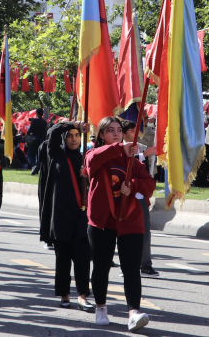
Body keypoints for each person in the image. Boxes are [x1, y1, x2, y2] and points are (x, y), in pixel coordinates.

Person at [85, 116, 156, 332]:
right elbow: (92, 161)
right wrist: (119, 148)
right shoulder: (94, 155)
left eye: (118, 130)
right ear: (101, 135)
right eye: (110, 130)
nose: (116, 133)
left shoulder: (133, 161)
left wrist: (133, 185)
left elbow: (149, 185)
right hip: (102, 221)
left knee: (131, 268)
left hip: (130, 220)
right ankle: (101, 308)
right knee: (101, 266)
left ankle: (134, 313)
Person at [44, 120, 95, 311]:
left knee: (82, 259)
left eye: (77, 135)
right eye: (70, 136)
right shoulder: (56, 154)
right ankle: (64, 296)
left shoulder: (85, 158)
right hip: (60, 217)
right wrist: (74, 124)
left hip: (81, 217)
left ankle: (82, 296)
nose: (74, 139)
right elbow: (53, 133)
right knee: (63, 259)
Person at [121, 120, 160, 278]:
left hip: (139, 197)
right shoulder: (118, 149)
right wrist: (143, 154)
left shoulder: (142, 147)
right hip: (123, 198)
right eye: (131, 131)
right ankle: (126, 265)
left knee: (145, 231)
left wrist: (145, 153)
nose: (135, 134)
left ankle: (145, 264)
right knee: (124, 233)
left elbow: (144, 174)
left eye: (136, 130)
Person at [27, 108, 48, 175]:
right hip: (41, 139)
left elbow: (29, 130)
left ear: (36, 113)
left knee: (30, 155)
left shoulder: (34, 121)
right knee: (38, 155)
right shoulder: (44, 122)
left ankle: (34, 166)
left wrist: (28, 138)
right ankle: (37, 167)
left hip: (33, 140)